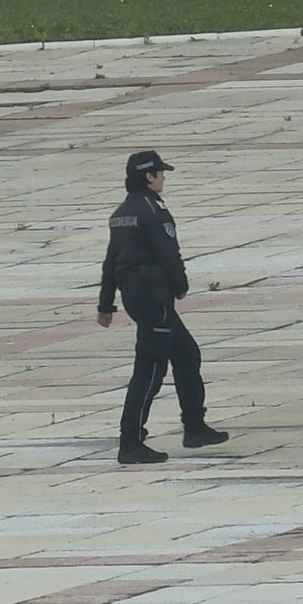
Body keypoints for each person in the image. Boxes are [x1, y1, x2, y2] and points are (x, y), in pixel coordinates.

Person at [99, 145, 220, 462]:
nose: (163, 178)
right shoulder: (153, 211)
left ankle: (195, 427)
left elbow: (110, 261)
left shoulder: (122, 214)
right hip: (153, 296)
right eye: (160, 173)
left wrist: (106, 304)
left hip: (135, 295)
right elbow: (169, 253)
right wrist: (180, 286)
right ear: (149, 176)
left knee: (186, 354)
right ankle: (131, 442)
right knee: (150, 368)